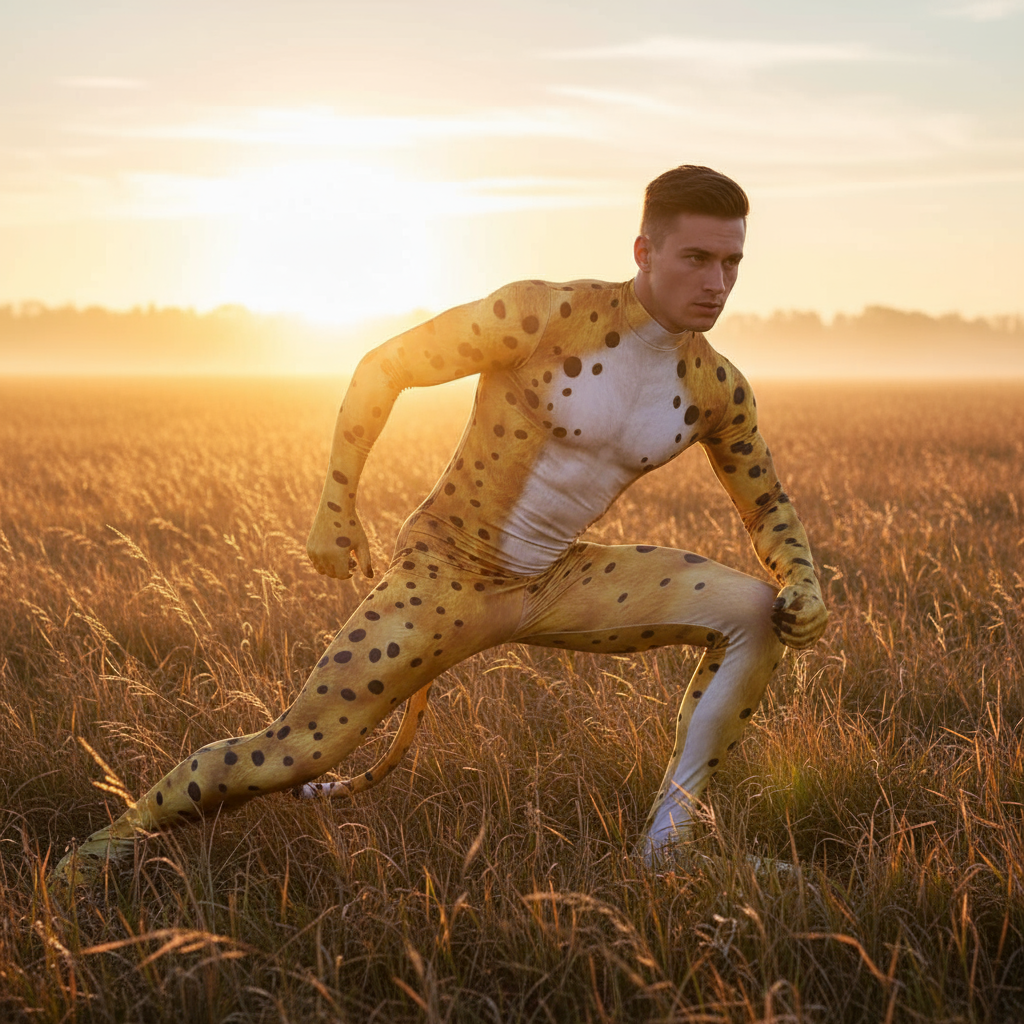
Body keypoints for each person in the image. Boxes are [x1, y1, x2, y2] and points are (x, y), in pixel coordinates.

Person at [52, 164, 828, 887]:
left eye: (732, 264)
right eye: (697, 258)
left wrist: (801, 577)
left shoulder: (717, 386)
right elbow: (385, 364)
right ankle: (105, 847)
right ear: (642, 249)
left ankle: (671, 846)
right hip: (447, 571)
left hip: (557, 579)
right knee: (296, 752)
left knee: (755, 614)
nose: (717, 283)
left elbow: (766, 502)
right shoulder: (541, 313)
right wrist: (336, 502)